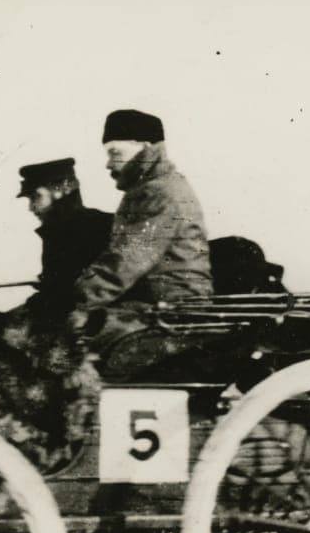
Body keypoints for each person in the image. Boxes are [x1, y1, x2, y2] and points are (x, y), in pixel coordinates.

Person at [71, 109, 213, 359]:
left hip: (175, 311)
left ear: (146, 148)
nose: (108, 164)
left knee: (68, 335)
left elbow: (126, 261)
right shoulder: (148, 190)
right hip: (155, 306)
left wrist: (72, 300)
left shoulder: (162, 193)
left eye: (116, 153)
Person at [16, 157, 113, 320]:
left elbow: (62, 296)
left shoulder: (94, 228)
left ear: (61, 190)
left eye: (35, 197)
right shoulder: (57, 231)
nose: (31, 207)